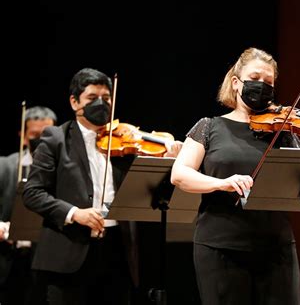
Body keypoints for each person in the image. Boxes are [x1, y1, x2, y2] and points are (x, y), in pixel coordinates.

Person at [170, 47, 300, 305]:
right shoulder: (209, 126)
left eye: (269, 82)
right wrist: (222, 183)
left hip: (276, 248)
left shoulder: (284, 129)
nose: (262, 86)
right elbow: (179, 174)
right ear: (236, 83)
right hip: (220, 247)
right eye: (255, 78)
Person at [22, 68, 182, 305]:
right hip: (69, 251)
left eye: (106, 98)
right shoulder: (55, 139)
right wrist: (74, 213)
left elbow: (151, 182)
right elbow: (32, 193)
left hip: (118, 249)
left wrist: (171, 156)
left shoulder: (124, 139)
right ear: (74, 102)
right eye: (92, 98)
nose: (101, 104)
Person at [0, 106, 57, 305]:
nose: (40, 140)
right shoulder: (5, 166)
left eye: (46, 134)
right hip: (9, 258)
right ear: (23, 136)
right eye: (34, 135)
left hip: (46, 260)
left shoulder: (62, 170)